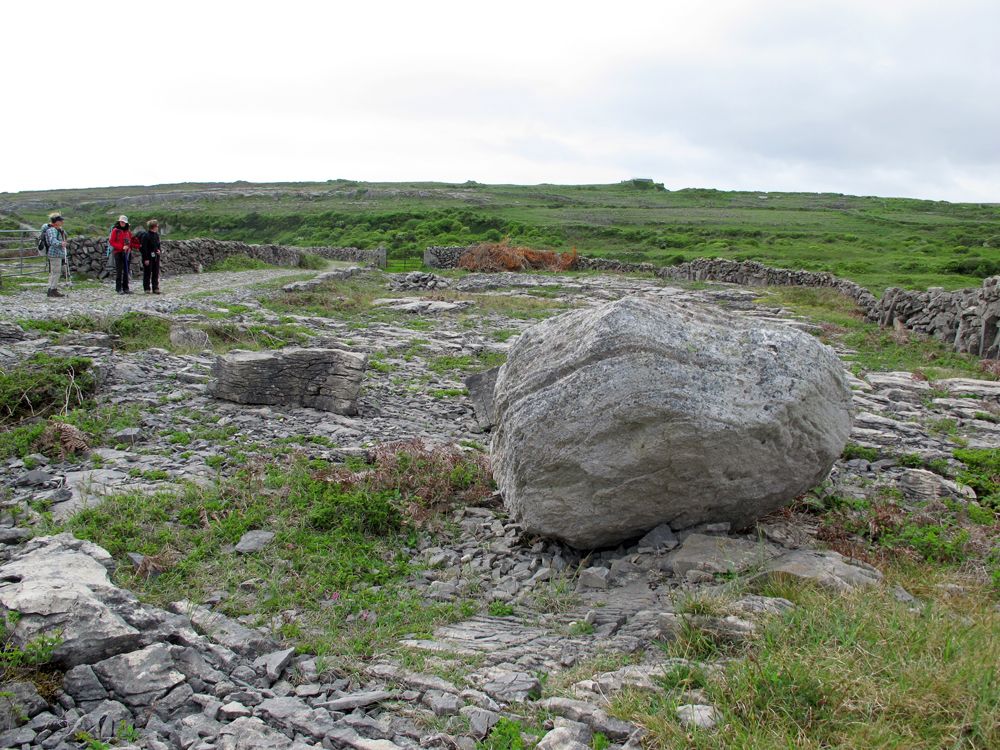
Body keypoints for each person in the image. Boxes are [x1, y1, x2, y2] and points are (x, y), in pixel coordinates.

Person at [43, 213, 68, 298]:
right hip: (55, 254)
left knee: (54, 272)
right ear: (57, 222)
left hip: (56, 254)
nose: (62, 222)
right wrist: (61, 243)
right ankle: (52, 290)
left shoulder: (56, 229)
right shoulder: (52, 230)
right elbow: (52, 241)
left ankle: (51, 289)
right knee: (56, 272)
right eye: (61, 220)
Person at [109, 215, 133, 294]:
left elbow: (130, 241)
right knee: (119, 271)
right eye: (121, 222)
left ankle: (126, 288)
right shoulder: (115, 230)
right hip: (118, 253)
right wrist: (121, 247)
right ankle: (118, 288)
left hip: (127, 253)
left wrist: (128, 247)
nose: (122, 223)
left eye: (124, 222)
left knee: (126, 270)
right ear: (119, 222)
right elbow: (111, 241)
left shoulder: (128, 231)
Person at [139, 219, 162, 294]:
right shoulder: (146, 235)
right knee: (147, 273)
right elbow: (143, 248)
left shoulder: (156, 235)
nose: (157, 227)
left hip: (156, 257)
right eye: (157, 226)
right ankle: (147, 288)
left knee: (155, 272)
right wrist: (145, 259)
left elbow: (158, 245)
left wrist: (159, 251)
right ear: (154, 226)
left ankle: (155, 288)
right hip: (148, 257)